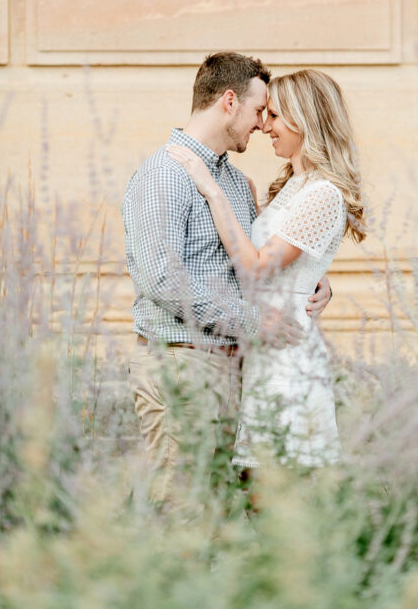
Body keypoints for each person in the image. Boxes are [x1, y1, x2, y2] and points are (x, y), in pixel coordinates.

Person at [122, 52, 332, 511]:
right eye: (261, 111)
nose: (262, 125)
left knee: (223, 517)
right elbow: (162, 279)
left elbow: (259, 261)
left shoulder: (236, 184)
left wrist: (312, 282)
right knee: (183, 512)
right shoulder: (165, 175)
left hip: (238, 369)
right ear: (230, 102)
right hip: (182, 366)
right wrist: (256, 323)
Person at [167, 68, 366, 469]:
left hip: (287, 352)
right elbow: (288, 252)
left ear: (303, 120)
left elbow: (258, 267)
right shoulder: (295, 184)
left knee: (278, 480)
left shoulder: (324, 192)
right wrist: (311, 274)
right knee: (255, 481)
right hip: (263, 343)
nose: (264, 126)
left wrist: (212, 191)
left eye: (274, 116)